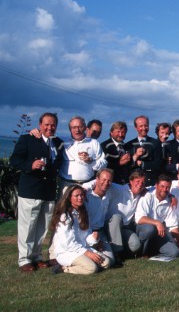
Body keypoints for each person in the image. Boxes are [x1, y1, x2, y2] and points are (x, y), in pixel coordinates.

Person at [10, 112, 63, 272]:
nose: (49, 127)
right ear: (40, 125)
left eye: (53, 124)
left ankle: (37, 257)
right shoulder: (28, 139)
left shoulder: (58, 143)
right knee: (28, 226)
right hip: (30, 190)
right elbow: (15, 160)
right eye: (46, 124)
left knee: (42, 227)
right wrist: (30, 165)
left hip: (48, 192)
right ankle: (24, 260)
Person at [50, 185, 111, 274]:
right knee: (91, 268)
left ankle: (84, 263)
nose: (80, 198)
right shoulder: (64, 216)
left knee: (106, 263)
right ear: (69, 198)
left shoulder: (83, 213)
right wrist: (88, 253)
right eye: (76, 196)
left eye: (82, 195)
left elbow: (86, 238)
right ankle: (64, 268)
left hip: (83, 248)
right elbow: (67, 244)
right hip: (68, 252)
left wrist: (94, 238)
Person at [104, 170, 146, 263]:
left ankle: (123, 253)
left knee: (135, 245)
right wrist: (87, 187)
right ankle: (116, 254)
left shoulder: (141, 194)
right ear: (131, 181)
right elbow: (99, 182)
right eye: (137, 181)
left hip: (123, 228)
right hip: (109, 225)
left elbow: (158, 188)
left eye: (143, 182)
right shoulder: (120, 189)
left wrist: (171, 196)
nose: (140, 184)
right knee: (117, 217)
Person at [135, 175, 179, 259]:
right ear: (156, 185)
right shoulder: (147, 195)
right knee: (150, 229)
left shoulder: (169, 201)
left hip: (158, 233)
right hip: (144, 228)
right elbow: (139, 219)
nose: (164, 189)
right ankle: (141, 252)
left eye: (167, 187)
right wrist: (157, 223)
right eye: (162, 186)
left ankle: (152, 251)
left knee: (175, 253)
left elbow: (173, 225)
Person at [59, 116, 107, 192]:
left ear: (85, 128)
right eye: (74, 127)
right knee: (63, 204)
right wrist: (35, 131)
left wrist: (91, 161)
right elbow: (46, 137)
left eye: (80, 127)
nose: (77, 130)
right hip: (66, 185)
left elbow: (104, 164)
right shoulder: (61, 141)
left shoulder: (94, 143)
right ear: (70, 129)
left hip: (87, 186)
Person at [84, 168, 115, 264]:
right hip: (86, 232)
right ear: (97, 179)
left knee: (111, 260)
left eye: (109, 180)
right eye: (104, 180)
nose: (106, 183)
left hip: (100, 232)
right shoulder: (86, 195)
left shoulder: (108, 194)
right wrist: (94, 242)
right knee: (102, 261)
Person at [125, 115, 163, 186]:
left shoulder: (156, 143)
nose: (144, 128)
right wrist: (135, 156)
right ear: (135, 128)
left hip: (150, 182)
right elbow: (126, 167)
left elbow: (159, 164)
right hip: (133, 184)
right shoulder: (128, 145)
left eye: (146, 126)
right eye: (141, 126)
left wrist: (142, 164)